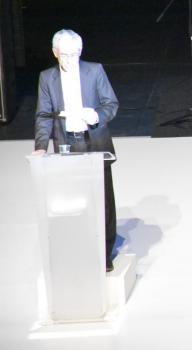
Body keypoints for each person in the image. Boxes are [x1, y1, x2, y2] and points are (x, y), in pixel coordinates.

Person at [32, 29, 119, 272]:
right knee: (73, 200)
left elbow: (111, 103)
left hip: (95, 142)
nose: (70, 60)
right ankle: (79, 250)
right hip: (66, 144)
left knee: (102, 201)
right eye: (65, 56)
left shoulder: (94, 70)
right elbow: (43, 115)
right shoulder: (47, 78)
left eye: (74, 55)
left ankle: (104, 254)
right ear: (55, 53)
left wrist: (95, 116)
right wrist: (40, 146)